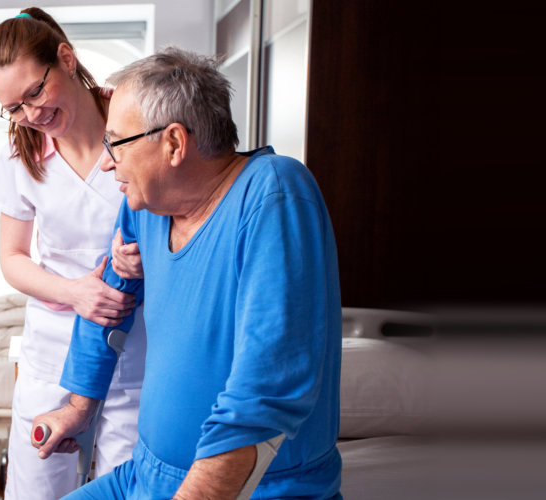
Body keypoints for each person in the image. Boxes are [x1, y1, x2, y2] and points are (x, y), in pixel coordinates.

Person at [33, 47, 344, 500]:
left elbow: (268, 387)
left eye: (115, 144)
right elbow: (107, 298)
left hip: (258, 489)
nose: (105, 162)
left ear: (174, 143)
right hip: (146, 475)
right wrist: (78, 407)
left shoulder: (273, 193)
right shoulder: (146, 207)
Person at [0, 7, 150, 499]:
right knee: (36, 489)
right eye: (13, 108)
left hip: (134, 345)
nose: (31, 115)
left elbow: (183, 215)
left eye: (35, 92)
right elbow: (12, 258)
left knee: (129, 486)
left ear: (67, 60)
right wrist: (75, 293)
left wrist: (147, 263)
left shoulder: (135, 120)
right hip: (53, 347)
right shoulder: (22, 157)